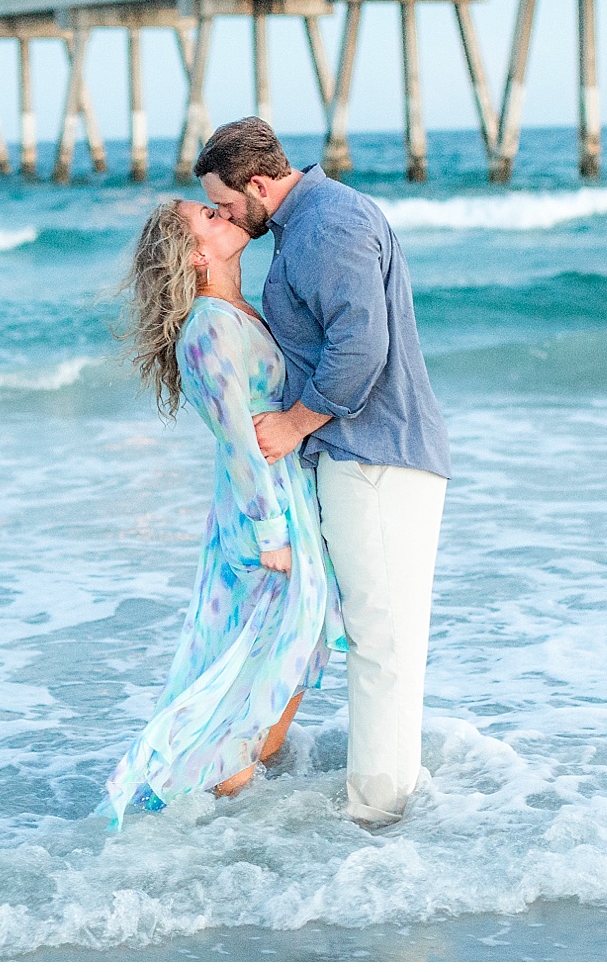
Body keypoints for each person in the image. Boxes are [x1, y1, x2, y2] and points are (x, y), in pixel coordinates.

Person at [194, 116, 449, 827]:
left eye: (224, 203)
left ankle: (381, 816)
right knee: (379, 638)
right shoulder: (308, 224)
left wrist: (296, 422)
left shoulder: (326, 226)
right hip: (366, 455)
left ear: (258, 184)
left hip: (377, 455)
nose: (223, 217)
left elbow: (360, 347)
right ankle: (390, 806)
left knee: (381, 643)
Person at [97, 198, 346, 829]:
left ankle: (233, 814)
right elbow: (237, 437)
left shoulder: (240, 311)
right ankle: (219, 816)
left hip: (284, 498)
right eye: (206, 216)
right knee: (258, 663)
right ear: (196, 256)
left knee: (291, 650)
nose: (220, 211)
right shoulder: (208, 326)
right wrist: (271, 532)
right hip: (260, 513)